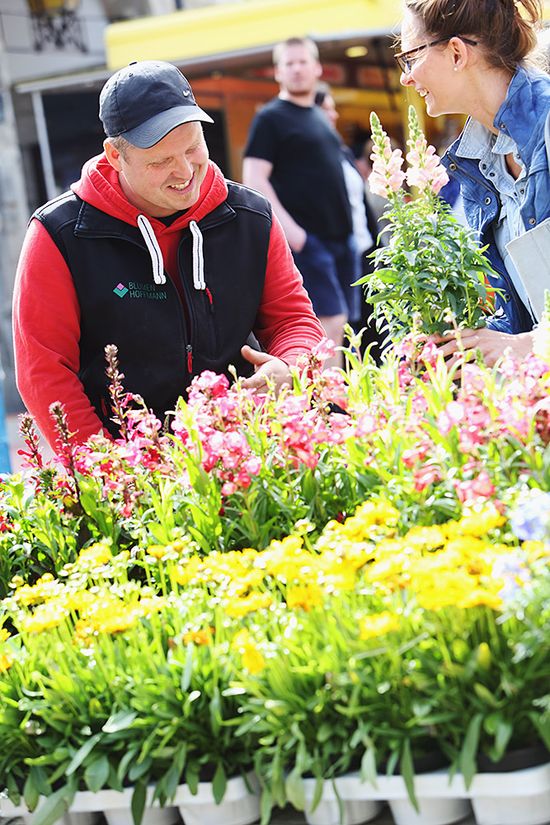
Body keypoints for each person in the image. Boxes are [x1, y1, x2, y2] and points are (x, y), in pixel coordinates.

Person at [13, 60, 325, 450]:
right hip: (127, 468)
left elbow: (293, 319)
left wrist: (290, 365)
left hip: (247, 451)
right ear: (114, 154)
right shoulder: (57, 234)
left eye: (193, 147)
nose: (184, 172)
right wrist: (109, 469)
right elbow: (43, 372)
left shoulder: (252, 216)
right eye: (160, 161)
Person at [396, 0, 550, 367]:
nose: (406, 77)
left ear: (455, 53)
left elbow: (529, 340)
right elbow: (523, 305)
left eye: (410, 57)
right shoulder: (479, 161)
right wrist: (457, 340)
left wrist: (531, 345)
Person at [242, 37, 356, 367]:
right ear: (277, 72)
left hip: (340, 242)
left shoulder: (319, 116)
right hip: (308, 244)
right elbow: (254, 179)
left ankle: (347, 405)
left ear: (317, 68)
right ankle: (330, 410)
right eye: (288, 64)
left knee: (343, 328)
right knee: (327, 329)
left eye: (302, 62)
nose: (296, 69)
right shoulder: (271, 118)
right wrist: (296, 236)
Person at [313, 84, 381, 360]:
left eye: (332, 108)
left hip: (363, 253)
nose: (333, 115)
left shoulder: (338, 152)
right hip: (333, 260)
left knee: (372, 330)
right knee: (344, 337)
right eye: (325, 108)